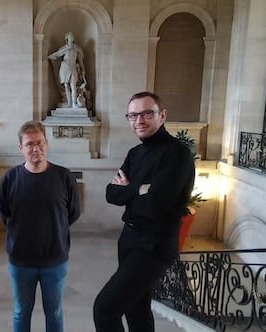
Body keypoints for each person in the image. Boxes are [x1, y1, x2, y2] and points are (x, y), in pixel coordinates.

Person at [93, 92, 195, 332]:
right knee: (137, 310)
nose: (139, 120)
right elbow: (110, 193)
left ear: (162, 116)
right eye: (133, 115)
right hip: (128, 240)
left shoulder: (177, 154)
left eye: (147, 113)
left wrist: (130, 191)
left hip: (154, 245)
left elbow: (155, 205)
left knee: (105, 309)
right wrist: (140, 190)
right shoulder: (135, 154)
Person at [0, 120, 81, 332]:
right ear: (21, 148)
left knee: (53, 312)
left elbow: (73, 213)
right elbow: (4, 214)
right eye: (30, 144)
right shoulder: (9, 178)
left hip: (54, 260)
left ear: (47, 144)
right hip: (21, 260)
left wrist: (53, 228)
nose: (36, 148)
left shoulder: (64, 177)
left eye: (40, 143)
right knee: (21, 312)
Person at [48, 32, 86, 108]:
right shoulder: (64, 49)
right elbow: (55, 55)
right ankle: (69, 103)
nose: (71, 38)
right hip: (65, 68)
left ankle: (74, 103)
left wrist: (83, 69)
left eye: (72, 36)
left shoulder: (77, 48)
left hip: (73, 68)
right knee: (66, 86)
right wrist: (53, 58)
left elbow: (80, 61)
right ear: (67, 39)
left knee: (73, 86)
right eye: (70, 37)